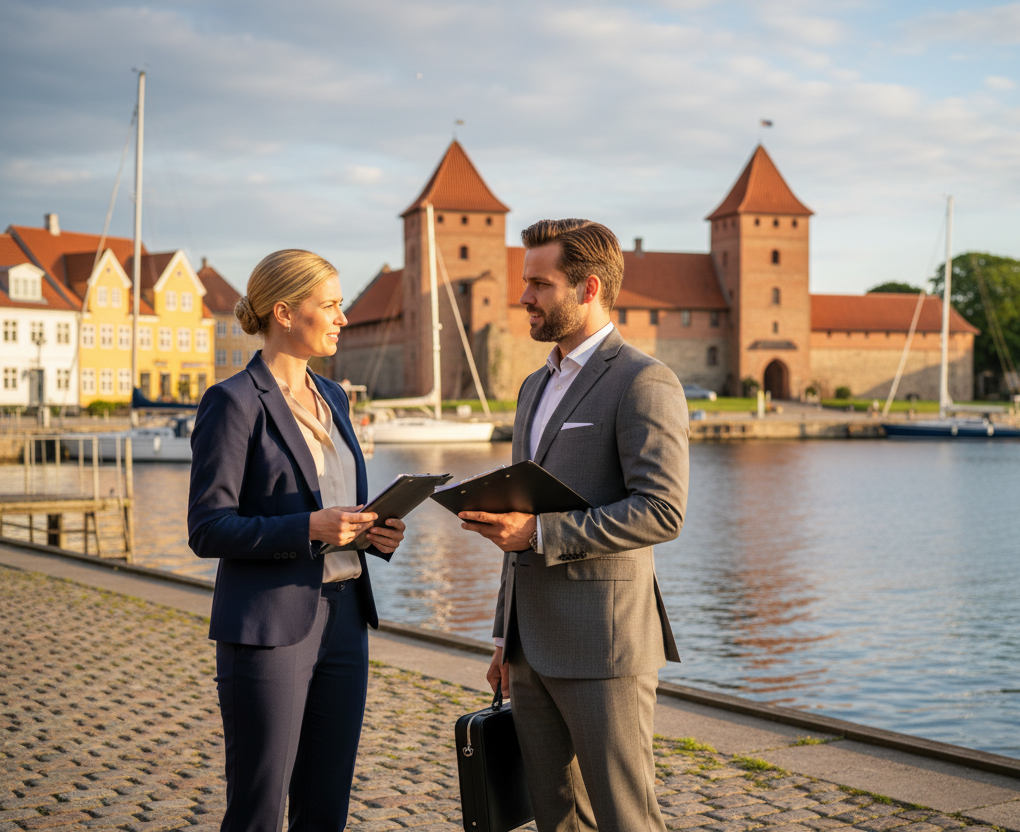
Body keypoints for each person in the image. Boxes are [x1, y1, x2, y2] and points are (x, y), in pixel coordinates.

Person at [459, 219, 689, 831]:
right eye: (523, 282)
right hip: (530, 647)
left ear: (588, 288)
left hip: (605, 646)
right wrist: (504, 637)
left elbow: (663, 509)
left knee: (625, 818)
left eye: (539, 284)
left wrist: (540, 535)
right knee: (555, 817)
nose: (524, 297)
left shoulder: (644, 381)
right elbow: (522, 507)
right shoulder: (534, 386)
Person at [187, 249, 406, 831]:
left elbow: (338, 506)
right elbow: (207, 529)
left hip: (346, 620)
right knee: (260, 808)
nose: (342, 317)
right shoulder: (232, 403)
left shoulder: (335, 397)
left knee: (326, 803)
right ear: (284, 312)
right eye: (330, 305)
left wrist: (375, 532)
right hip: (269, 626)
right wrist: (310, 529)